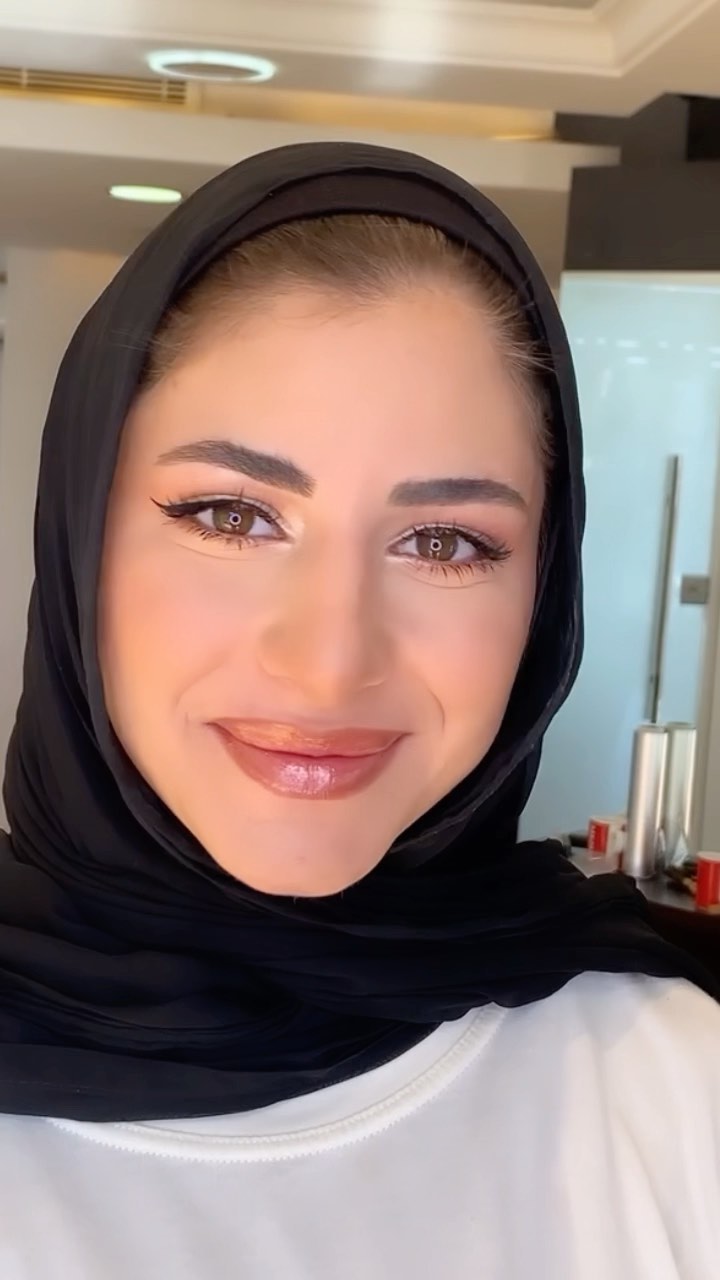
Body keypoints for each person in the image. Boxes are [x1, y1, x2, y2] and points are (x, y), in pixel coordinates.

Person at [0, 141, 718, 1279]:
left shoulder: (672, 1093)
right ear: (80, 537)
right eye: (232, 516)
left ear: (542, 592)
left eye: (443, 541)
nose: (328, 665)